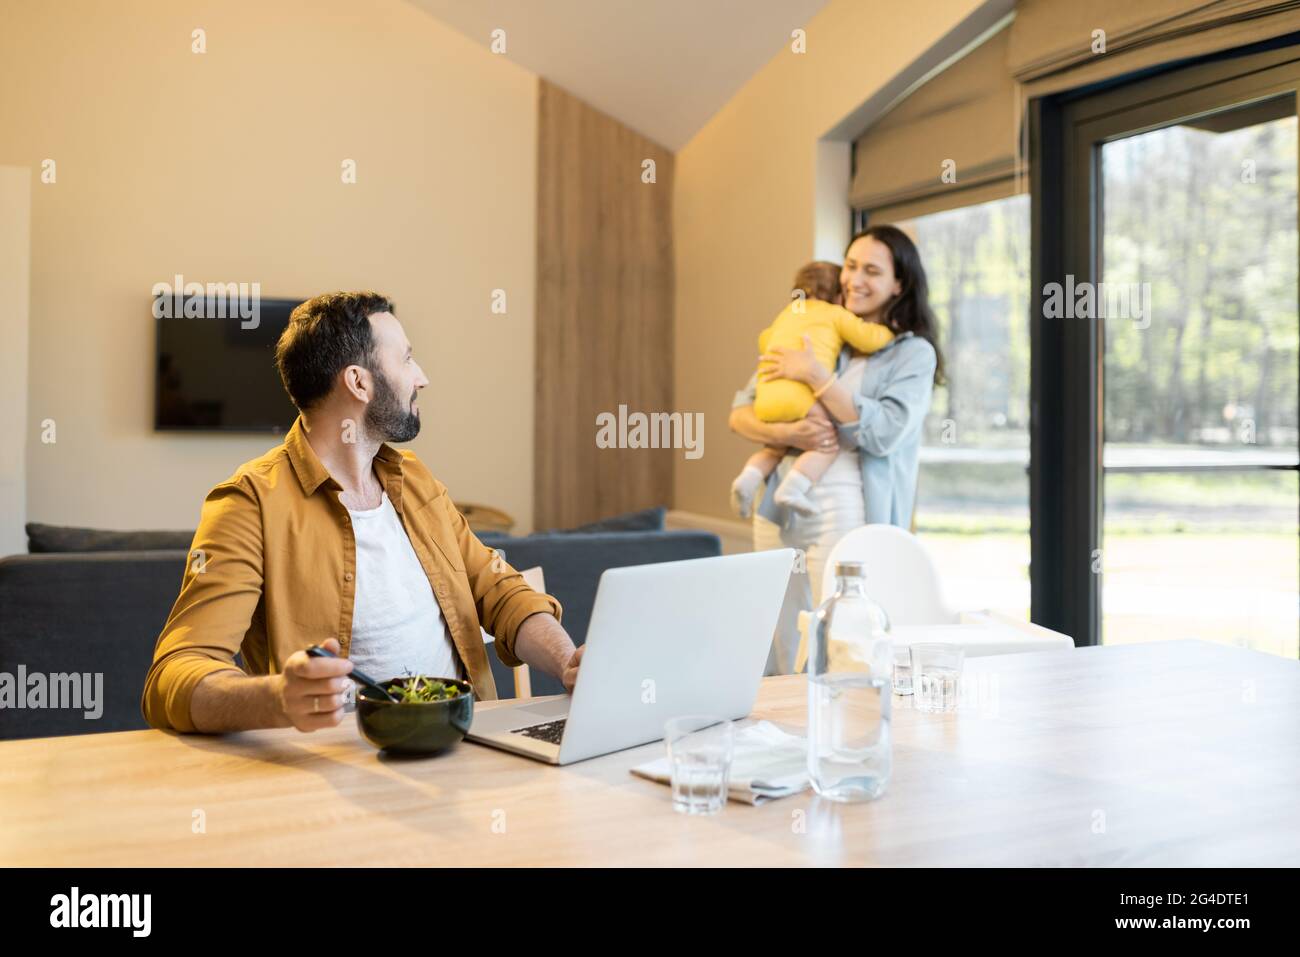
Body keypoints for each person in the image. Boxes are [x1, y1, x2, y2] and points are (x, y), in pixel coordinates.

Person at [141, 291, 584, 733]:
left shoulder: (414, 480)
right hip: (338, 770)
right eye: (407, 359)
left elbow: (498, 590)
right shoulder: (250, 504)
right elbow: (175, 675)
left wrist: (569, 663)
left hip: (468, 747)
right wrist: (279, 698)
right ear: (359, 382)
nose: (422, 377)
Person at [728, 226, 943, 674]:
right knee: (779, 631)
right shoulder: (818, 325)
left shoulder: (911, 354)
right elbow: (741, 412)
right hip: (779, 504)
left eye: (872, 271)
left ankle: (841, 733)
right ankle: (785, 735)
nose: (854, 279)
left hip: (848, 508)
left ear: (898, 283)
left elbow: (884, 433)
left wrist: (815, 376)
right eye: (850, 266)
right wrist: (793, 434)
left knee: (842, 634)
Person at [730, 260, 894, 519]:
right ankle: (794, 489)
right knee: (825, 440)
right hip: (800, 399)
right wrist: (889, 332)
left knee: (774, 447)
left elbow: (764, 340)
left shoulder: (786, 314)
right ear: (839, 296)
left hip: (767, 395)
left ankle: (748, 478)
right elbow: (868, 338)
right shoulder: (834, 313)